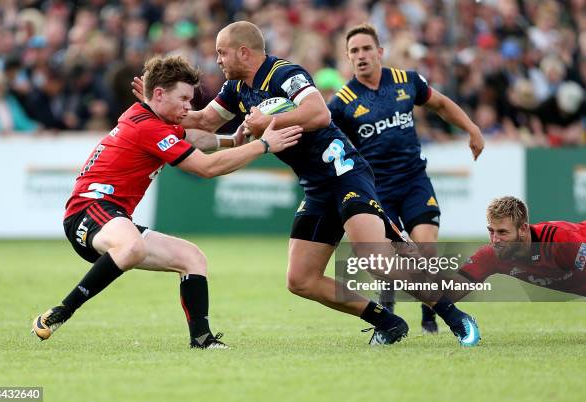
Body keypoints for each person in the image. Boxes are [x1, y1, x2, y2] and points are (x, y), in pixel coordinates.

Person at [133, 21, 480, 346]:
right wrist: (155, 106)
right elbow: (203, 123)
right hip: (316, 187)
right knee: (300, 280)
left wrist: (269, 120)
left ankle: (454, 317)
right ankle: (386, 320)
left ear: (243, 52)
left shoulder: (285, 73)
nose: (217, 59)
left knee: (373, 257)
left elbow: (320, 114)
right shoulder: (235, 89)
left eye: (222, 52)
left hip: (344, 172)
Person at [31, 55, 302, 349]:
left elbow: (196, 138)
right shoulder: (148, 127)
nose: (189, 107)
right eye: (184, 98)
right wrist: (263, 146)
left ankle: (202, 339)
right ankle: (61, 311)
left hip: (113, 216)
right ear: (158, 94)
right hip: (88, 210)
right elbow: (206, 168)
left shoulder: (154, 120)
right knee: (131, 245)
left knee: (192, 258)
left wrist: (233, 140)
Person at [327, 23, 485, 334]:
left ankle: (430, 313)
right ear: (348, 58)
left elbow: (440, 104)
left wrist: (472, 129)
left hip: (414, 180)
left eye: (366, 49)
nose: (361, 56)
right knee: (388, 259)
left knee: (424, 250)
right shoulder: (342, 102)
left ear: (379, 52)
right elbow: (329, 142)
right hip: (375, 189)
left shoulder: (406, 81)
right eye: (354, 51)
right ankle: (388, 307)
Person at [451, 196, 586, 298]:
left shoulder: (561, 241)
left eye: (502, 232)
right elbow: (450, 292)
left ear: (522, 229)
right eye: (491, 231)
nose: (495, 240)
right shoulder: (493, 254)